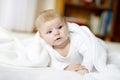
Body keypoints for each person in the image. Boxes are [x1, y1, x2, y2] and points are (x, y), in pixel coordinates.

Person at [35, 9, 108, 75]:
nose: (56, 33)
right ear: (42, 36)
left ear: (67, 25)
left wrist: (85, 67)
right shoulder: (47, 47)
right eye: (49, 31)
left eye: (60, 27)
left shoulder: (76, 39)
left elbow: (90, 52)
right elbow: (52, 63)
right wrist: (66, 67)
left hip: (93, 48)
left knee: (98, 46)